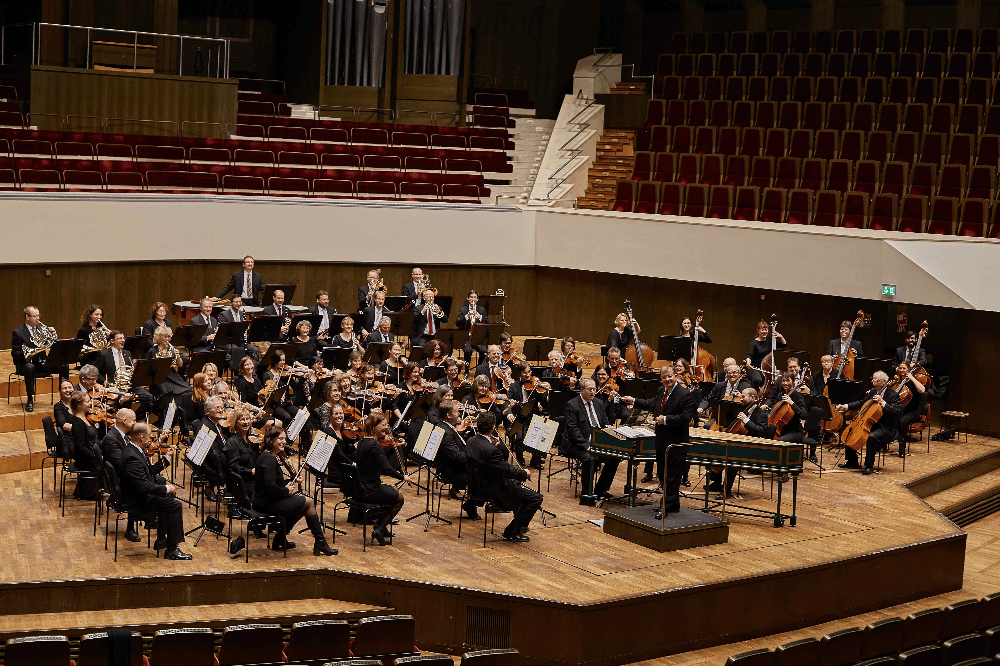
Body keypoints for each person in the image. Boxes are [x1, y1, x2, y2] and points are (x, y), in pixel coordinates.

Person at [622, 366, 696, 519]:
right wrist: (634, 400)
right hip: (661, 440)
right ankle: (673, 504)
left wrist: (666, 420)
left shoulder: (684, 394)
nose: (667, 380)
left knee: (673, 475)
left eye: (669, 376)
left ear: (675, 375)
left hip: (677, 442)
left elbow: (687, 417)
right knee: (662, 473)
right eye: (664, 377)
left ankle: (666, 505)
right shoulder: (661, 391)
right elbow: (652, 404)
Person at [251, 426, 338, 555]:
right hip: (266, 503)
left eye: (285, 439)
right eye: (280, 439)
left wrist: (290, 482)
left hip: (265, 499)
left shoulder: (268, 456)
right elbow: (270, 488)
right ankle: (320, 541)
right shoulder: (269, 459)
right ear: (271, 440)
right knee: (308, 503)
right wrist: (286, 491)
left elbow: (273, 483)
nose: (283, 442)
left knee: (303, 504)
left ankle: (280, 538)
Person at [466, 411, 542, 542]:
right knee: (535, 498)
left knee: (518, 486)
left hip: (476, 486)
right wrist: (524, 473)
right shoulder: (491, 451)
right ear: (493, 428)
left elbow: (489, 462)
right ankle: (513, 530)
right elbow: (507, 470)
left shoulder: (471, 441)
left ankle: (519, 525)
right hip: (494, 490)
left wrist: (492, 446)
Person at [120, 422, 192, 560]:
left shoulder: (135, 450)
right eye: (149, 437)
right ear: (141, 437)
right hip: (136, 501)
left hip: (138, 494)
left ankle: (162, 539)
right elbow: (144, 486)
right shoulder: (131, 457)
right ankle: (171, 549)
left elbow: (150, 471)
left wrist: (167, 457)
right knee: (175, 506)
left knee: (168, 499)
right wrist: (167, 488)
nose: (151, 440)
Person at [354, 411, 413, 545]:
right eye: (383, 425)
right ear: (374, 426)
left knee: (391, 490)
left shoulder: (362, 441)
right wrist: (403, 476)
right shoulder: (375, 445)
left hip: (361, 486)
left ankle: (382, 526)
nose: (386, 428)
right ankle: (379, 529)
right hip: (371, 490)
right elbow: (386, 468)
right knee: (399, 498)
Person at [562, 378, 619, 504]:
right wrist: (587, 446)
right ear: (582, 390)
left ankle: (601, 489)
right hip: (576, 443)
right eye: (589, 389)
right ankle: (586, 493)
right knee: (589, 458)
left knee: (615, 456)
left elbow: (604, 423)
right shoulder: (572, 405)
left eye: (594, 389)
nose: (593, 392)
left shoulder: (598, 403)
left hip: (597, 441)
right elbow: (573, 430)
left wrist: (611, 434)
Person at [836, 371, 904, 475]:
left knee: (872, 437)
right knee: (850, 431)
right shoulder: (873, 391)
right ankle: (852, 462)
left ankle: (869, 465)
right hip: (870, 423)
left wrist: (883, 402)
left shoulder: (893, 395)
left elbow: (897, 412)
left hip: (886, 427)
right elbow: (862, 403)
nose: (872, 381)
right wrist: (845, 406)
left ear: (883, 382)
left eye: (874, 380)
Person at [711, 388, 768, 498]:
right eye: (741, 396)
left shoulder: (761, 414)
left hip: (752, 446)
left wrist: (746, 420)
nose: (741, 399)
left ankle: (726, 491)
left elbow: (760, 431)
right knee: (715, 447)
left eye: (744, 396)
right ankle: (716, 483)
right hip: (737, 442)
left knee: (733, 457)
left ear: (752, 397)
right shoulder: (739, 409)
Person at [12, 305, 67, 412]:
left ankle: (65, 398)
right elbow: (15, 353)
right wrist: (30, 352)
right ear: (27, 317)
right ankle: (30, 399)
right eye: (35, 316)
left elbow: (51, 344)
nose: (38, 318)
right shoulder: (18, 332)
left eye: (38, 315)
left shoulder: (42, 329)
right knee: (29, 367)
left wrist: (53, 335)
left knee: (64, 365)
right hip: (26, 364)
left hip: (42, 363)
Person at [436, 400, 481, 519]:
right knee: (488, 474)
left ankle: (473, 503)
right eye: (457, 412)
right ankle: (474, 504)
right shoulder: (445, 432)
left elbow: (458, 446)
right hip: (455, 472)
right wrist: (477, 457)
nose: (460, 415)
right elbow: (457, 457)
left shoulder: (447, 427)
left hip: (457, 466)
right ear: (448, 415)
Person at [98, 330, 153, 420]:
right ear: (112, 341)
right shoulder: (103, 354)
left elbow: (130, 370)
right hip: (115, 387)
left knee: (150, 399)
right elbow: (96, 373)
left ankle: (135, 419)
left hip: (129, 386)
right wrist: (106, 383)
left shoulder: (127, 353)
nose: (123, 340)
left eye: (123, 338)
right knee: (127, 400)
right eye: (119, 338)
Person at [67, 390, 102, 500]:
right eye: (87, 401)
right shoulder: (77, 423)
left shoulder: (85, 418)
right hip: (85, 459)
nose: (90, 403)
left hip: (91, 453)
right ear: (79, 405)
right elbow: (80, 447)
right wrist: (96, 457)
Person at [895, 362, 928, 458]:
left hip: (913, 412)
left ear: (908, 370)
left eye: (904, 368)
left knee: (902, 421)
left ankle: (902, 449)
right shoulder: (897, 382)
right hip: (900, 410)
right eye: (900, 368)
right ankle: (883, 444)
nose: (901, 370)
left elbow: (922, 390)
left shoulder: (913, 382)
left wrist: (912, 378)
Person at [745, 320, 786, 389]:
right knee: (758, 379)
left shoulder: (770, 341)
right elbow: (750, 354)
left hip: (766, 369)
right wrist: (748, 361)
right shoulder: (754, 343)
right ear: (758, 331)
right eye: (762, 330)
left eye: (766, 330)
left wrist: (780, 336)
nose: (764, 331)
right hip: (755, 367)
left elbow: (783, 345)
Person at [224, 407, 258, 489]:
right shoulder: (232, 442)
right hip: (240, 484)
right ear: (235, 423)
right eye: (242, 420)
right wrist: (251, 472)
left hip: (252, 479)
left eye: (248, 419)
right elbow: (233, 468)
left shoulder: (251, 440)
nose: (246, 422)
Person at [456, 290, 488, 364]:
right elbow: (458, 323)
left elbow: (486, 322)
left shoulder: (481, 310)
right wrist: (467, 316)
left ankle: (479, 368)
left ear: (477, 299)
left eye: (475, 297)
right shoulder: (463, 310)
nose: (473, 299)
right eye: (471, 297)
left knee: (484, 351)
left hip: (477, 338)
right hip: (466, 337)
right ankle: (466, 370)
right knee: (468, 351)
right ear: (467, 298)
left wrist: (480, 317)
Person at [54, 379, 76, 455]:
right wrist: (81, 428)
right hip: (67, 441)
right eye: (64, 388)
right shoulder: (58, 407)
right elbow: (64, 425)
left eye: (70, 387)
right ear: (60, 391)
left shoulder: (78, 404)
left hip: (79, 438)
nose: (68, 390)